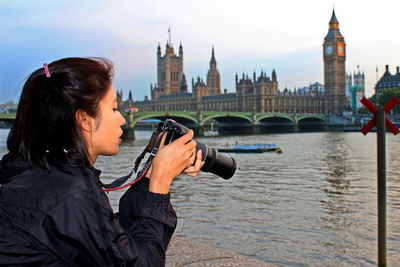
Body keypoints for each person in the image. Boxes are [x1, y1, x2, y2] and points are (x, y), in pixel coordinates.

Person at [0, 57, 204, 266]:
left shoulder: (39, 172)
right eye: (114, 109)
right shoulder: (69, 194)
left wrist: (149, 176)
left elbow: (111, 240)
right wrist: (160, 184)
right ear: (85, 120)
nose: (123, 120)